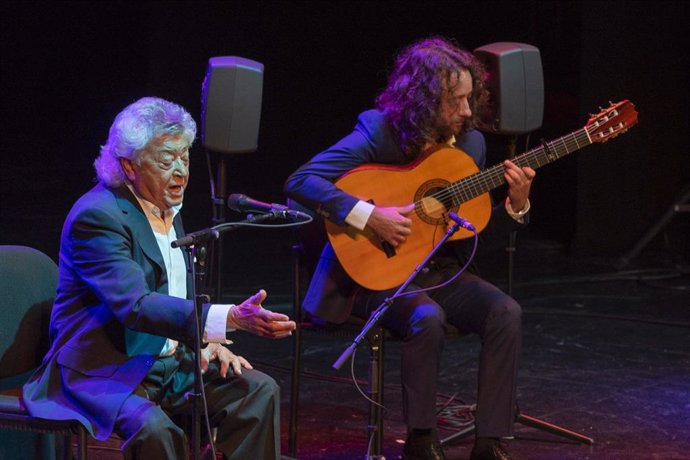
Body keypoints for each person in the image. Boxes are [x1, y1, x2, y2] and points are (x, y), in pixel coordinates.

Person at [284, 37, 535, 460]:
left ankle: (490, 442)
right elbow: (300, 181)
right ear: (423, 99)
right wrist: (368, 215)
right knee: (427, 318)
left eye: (470, 98)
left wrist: (517, 204)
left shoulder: (471, 145)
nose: (468, 112)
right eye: (456, 101)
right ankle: (421, 440)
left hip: (440, 271)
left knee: (505, 312)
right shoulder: (376, 133)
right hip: (377, 273)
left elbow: (472, 237)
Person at [23, 97, 296, 459]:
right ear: (129, 166)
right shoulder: (99, 217)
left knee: (258, 392)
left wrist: (205, 340)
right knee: (157, 431)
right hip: (104, 370)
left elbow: (172, 292)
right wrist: (226, 318)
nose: (181, 171)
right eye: (167, 160)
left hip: (164, 364)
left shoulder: (165, 205)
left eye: (184, 157)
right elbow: (136, 305)